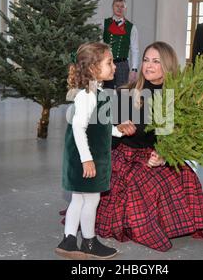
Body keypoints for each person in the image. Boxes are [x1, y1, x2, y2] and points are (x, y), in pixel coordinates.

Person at [95, 41, 203, 252]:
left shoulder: (174, 99)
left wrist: (164, 154)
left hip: (156, 154)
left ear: (167, 66)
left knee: (186, 176)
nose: (148, 66)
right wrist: (118, 127)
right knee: (142, 180)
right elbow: (108, 140)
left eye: (155, 61)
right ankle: (147, 225)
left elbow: (172, 137)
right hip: (125, 155)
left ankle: (170, 224)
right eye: (145, 60)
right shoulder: (126, 93)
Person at [55, 42, 136, 259]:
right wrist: (87, 160)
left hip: (81, 158)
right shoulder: (87, 95)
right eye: (109, 62)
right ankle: (89, 242)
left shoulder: (95, 91)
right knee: (91, 201)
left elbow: (99, 125)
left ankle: (69, 241)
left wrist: (118, 130)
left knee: (79, 200)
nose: (115, 67)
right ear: (92, 69)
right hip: (87, 158)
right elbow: (79, 129)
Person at [102, 0, 139, 89]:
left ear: (125, 9)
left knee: (122, 94)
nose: (119, 8)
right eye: (117, 6)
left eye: (122, 6)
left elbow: (135, 50)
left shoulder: (131, 27)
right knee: (106, 91)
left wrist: (134, 69)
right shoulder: (104, 23)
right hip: (106, 63)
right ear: (112, 7)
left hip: (122, 64)